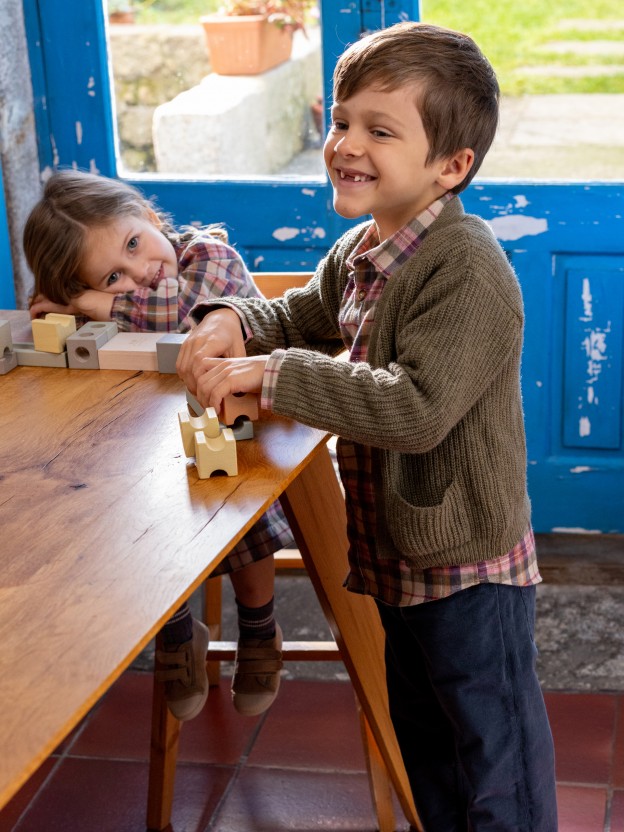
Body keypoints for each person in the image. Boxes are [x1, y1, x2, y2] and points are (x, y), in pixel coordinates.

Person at [175, 21, 558, 831]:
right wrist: (231, 321)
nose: (346, 144)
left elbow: (414, 409)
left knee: (495, 763)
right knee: (429, 744)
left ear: (450, 167)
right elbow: (303, 315)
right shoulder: (362, 248)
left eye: (380, 130)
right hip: (395, 563)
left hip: (466, 569)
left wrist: (272, 376)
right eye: (342, 121)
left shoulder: (468, 268)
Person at [23, 169, 292, 722]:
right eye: (112, 277)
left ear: (149, 217)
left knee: (240, 509)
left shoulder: (211, 258)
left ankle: (260, 627)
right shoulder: (106, 302)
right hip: (151, 449)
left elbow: (180, 311)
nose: (141, 273)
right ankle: (174, 631)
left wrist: (102, 306)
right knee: (122, 511)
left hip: (240, 430)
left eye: (133, 244)